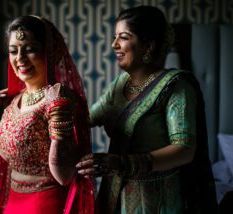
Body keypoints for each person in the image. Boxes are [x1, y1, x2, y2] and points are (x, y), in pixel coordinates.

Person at [76, 5, 218, 214]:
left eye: (123, 37)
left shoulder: (176, 86)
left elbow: (184, 150)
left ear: (148, 46)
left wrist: (124, 163)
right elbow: (87, 118)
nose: (114, 44)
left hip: (156, 200)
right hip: (114, 194)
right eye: (115, 37)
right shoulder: (120, 84)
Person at [0, 15, 94, 214]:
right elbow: (9, 155)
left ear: (51, 52)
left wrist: (59, 117)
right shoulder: (15, 100)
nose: (20, 58)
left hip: (44, 202)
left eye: (30, 49)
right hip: (13, 199)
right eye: (13, 51)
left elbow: (64, 176)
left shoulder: (60, 99)